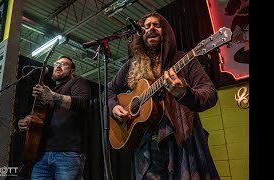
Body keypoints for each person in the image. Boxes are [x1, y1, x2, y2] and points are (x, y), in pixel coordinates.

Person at [108, 12, 220, 179]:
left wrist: (185, 93)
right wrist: (114, 107)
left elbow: (210, 94)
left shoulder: (183, 60)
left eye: (157, 25)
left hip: (180, 141)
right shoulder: (131, 65)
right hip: (145, 146)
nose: (151, 28)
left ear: (166, 31)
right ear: (140, 34)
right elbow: (108, 90)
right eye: (146, 26)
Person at [18, 55, 91, 180]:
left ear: (72, 70)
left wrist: (52, 95)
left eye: (64, 64)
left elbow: (82, 103)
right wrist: (28, 121)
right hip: (41, 154)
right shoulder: (50, 91)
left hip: (68, 153)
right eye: (56, 63)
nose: (58, 65)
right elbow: (39, 116)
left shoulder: (77, 81)